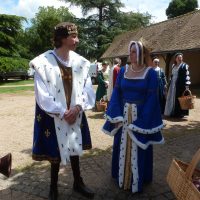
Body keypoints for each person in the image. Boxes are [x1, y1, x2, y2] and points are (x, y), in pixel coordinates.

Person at [29, 22, 95, 200]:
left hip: (76, 113)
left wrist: (77, 108)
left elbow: (87, 89)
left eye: (76, 35)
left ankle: (78, 182)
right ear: (62, 38)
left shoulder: (81, 63)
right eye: (73, 36)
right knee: (55, 152)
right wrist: (62, 112)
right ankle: (53, 187)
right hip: (53, 115)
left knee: (74, 147)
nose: (77, 40)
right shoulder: (42, 63)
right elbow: (41, 95)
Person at [102, 41, 164, 193]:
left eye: (134, 52)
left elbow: (152, 99)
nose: (131, 55)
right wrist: (115, 116)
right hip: (123, 116)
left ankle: (139, 179)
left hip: (140, 117)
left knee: (140, 147)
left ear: (142, 54)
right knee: (119, 145)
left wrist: (141, 121)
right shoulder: (123, 70)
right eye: (130, 52)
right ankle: (120, 175)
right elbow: (116, 93)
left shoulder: (150, 73)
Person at [164, 53, 191, 118]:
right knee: (171, 98)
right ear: (175, 59)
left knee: (179, 98)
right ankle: (172, 111)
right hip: (173, 84)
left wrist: (187, 87)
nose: (179, 59)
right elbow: (172, 75)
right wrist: (169, 83)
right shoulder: (173, 66)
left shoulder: (184, 66)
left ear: (182, 58)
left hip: (180, 85)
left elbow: (187, 76)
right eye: (178, 57)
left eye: (181, 57)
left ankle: (179, 113)